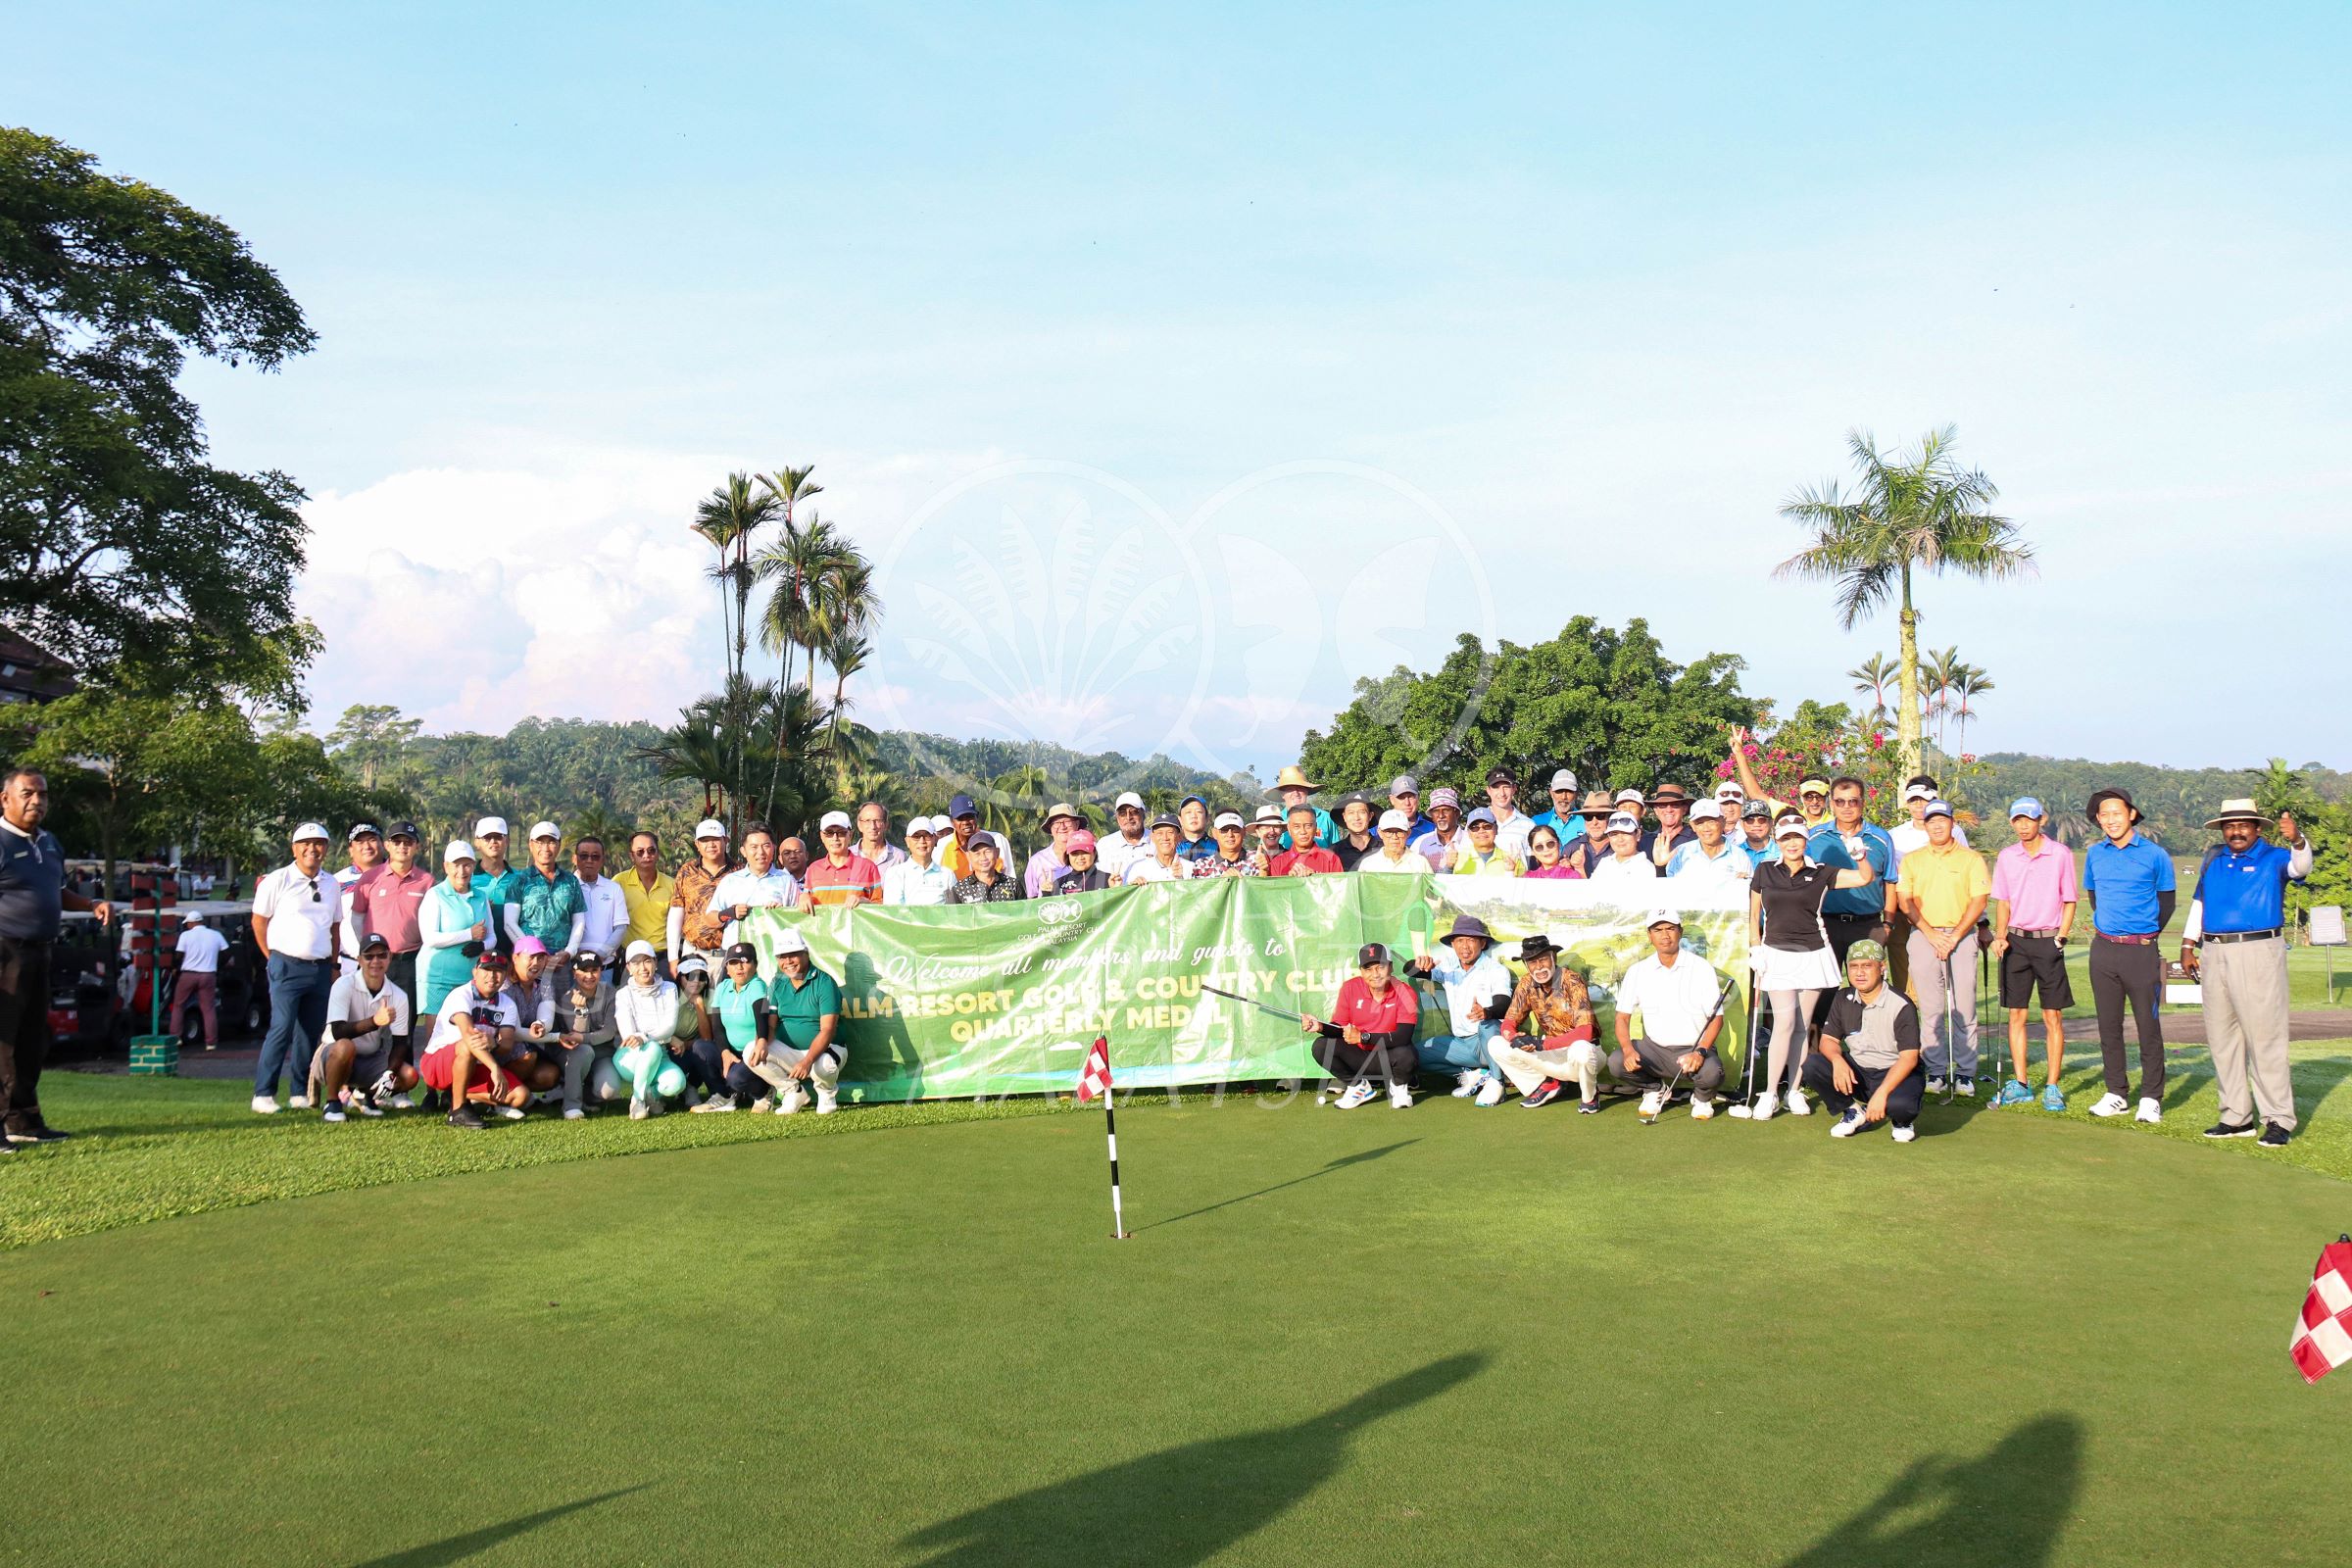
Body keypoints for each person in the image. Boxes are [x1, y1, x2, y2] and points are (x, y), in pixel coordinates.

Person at [2181, 800, 2315, 1147]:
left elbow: (2301, 867)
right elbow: (2200, 903)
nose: (2236, 831)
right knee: (2222, 1038)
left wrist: (2298, 839)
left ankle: (2278, 1119)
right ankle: (2236, 1117)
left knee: (2264, 1037)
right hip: (2213, 950)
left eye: (2243, 825)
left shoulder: (2273, 858)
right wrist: (2187, 944)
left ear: (2257, 828)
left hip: (2257, 950)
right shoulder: (2214, 859)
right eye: (2230, 825)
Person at [0, 767, 112, 1147]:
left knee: (32, 1041)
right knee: (3, 1040)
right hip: (5, 952)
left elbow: (55, 891)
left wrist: (91, 903)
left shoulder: (49, 842)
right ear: (6, 799)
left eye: (43, 795)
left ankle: (24, 1121)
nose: (37, 801)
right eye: (28, 793)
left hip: (40, 952)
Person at [1746, 812, 1883, 1120]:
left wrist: (1859, 854)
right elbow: (1754, 916)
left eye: (1797, 837)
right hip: (1777, 953)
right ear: (1778, 841)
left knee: (1802, 1025)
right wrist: (1755, 948)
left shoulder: (1822, 872)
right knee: (1783, 1023)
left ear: (1805, 840)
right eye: (1786, 838)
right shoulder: (1764, 870)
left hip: (1813, 953)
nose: (1792, 843)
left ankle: (1794, 1091)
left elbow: (1864, 877)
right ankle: (1769, 1093)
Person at [1986, 799, 2078, 1113]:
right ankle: (2022, 1083)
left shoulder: (2060, 854)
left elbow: (2069, 900)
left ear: (2042, 820)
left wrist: (2062, 935)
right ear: (2012, 823)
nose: (2024, 825)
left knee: (2053, 1016)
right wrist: (2000, 937)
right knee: (2017, 1015)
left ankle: (2052, 1086)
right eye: (2018, 820)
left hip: (2048, 941)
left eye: (2029, 819)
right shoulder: (2007, 857)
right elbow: (2003, 903)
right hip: (2016, 941)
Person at [1894, 800, 1991, 1094]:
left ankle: (1965, 1073)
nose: (1937, 825)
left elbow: (1979, 901)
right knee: (1931, 1007)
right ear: (1924, 825)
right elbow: (1904, 901)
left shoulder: (1971, 859)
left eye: (1943, 820)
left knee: (1964, 1007)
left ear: (1952, 823)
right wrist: (1931, 933)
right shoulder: (1912, 860)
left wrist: (1955, 935)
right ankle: (1936, 1071)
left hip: (1961, 936)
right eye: (1931, 821)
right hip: (1923, 935)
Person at [250, 821, 344, 1114]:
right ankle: (263, 1094)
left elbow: (334, 927)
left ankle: (299, 1092)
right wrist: (272, 957)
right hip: (286, 964)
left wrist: (333, 964)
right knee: (281, 1027)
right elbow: (259, 921)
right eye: (306, 843)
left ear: (326, 849)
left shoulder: (331, 884)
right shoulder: (277, 880)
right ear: (294, 848)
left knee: (309, 1032)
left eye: (318, 844)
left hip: (319, 967)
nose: (312, 849)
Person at [1803, 939, 1925, 1143]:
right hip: (1859, 1071)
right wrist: (1837, 1060)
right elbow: (1828, 1040)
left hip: (1895, 1071)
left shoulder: (1902, 1004)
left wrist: (1882, 1094)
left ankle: (1901, 1121)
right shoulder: (1843, 998)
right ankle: (1852, 1111)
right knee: (1813, 1065)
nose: (1859, 973)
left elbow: (1909, 1058)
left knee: (1902, 1106)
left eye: (1867, 966)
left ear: (1881, 967)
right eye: (1854, 967)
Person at [1611, 912, 1730, 1118]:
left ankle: (1701, 1097)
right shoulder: (1639, 970)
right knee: (1616, 1061)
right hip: (1654, 1050)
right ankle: (1655, 1088)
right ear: (1650, 935)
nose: (1664, 935)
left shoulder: (1700, 968)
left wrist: (1700, 1052)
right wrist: (1628, 1050)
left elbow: (1716, 1019)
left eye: (1670, 928)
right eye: (1658, 930)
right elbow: (1622, 1018)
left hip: (1692, 1049)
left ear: (1680, 932)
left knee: (1713, 1073)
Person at [1804, 778, 1898, 1021]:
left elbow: (1890, 882)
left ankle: (1869, 1050)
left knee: (1869, 988)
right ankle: (1817, 1053)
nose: (1847, 807)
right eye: (1840, 801)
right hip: (1826, 924)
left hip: (1868, 924)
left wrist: (1887, 924)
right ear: (1831, 804)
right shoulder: (1814, 838)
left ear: (1862, 803)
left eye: (1853, 801)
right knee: (1821, 990)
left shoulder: (1880, 838)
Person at [1299, 942, 1418, 1109]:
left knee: (1407, 1054)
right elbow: (1339, 1027)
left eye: (1380, 967)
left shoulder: (1405, 992)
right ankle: (1358, 1086)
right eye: (1368, 969)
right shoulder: (1350, 988)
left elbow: (1404, 1035)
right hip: (1359, 1057)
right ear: (1361, 971)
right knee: (1321, 1046)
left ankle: (1398, 1087)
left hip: (1390, 1057)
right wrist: (1320, 1027)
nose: (1375, 974)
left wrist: (1363, 1037)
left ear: (1390, 967)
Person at [1491, 933, 1602, 1110]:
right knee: (1496, 1043)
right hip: (1551, 1053)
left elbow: (1586, 1032)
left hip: (1581, 1054)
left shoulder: (1572, 980)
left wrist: (1542, 1044)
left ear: (1553, 957)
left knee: (1582, 1050)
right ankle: (1546, 1084)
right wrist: (1514, 1038)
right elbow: (1509, 1021)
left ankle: (1589, 1097)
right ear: (1526, 965)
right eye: (1532, 962)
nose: (1539, 967)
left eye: (1543, 960)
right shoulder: (1526, 982)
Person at [420, 949, 528, 1131]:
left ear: (504, 975)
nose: (492, 976)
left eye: (498, 971)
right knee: (466, 1045)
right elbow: (469, 1035)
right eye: (486, 970)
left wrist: (494, 1043)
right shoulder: (460, 995)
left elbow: (507, 1043)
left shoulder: (507, 1003)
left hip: (474, 1066)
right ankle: (457, 1111)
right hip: (437, 1065)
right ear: (475, 972)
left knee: (520, 1096)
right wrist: (494, 1067)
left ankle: (457, 1095)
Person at [1408, 916, 1513, 1102]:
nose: (1465, 946)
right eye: (1460, 940)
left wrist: (1487, 1012)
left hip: (1487, 1042)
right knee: (1412, 1056)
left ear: (1482, 943)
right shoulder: (1449, 966)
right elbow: (1411, 971)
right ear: (1453, 944)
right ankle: (1474, 1075)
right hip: (1460, 1044)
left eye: (1471, 940)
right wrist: (1418, 964)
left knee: (1488, 1025)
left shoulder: (1495, 970)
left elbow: (1503, 1004)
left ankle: (1497, 1083)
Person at [315, 933, 418, 1121]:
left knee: (410, 1076)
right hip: (334, 1056)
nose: (375, 961)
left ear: (389, 958)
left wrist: (390, 1073)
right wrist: (374, 1022)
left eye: (381, 955)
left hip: (370, 1058)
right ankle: (332, 1102)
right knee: (346, 1046)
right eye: (369, 956)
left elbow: (400, 1043)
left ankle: (365, 1095)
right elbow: (337, 1032)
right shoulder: (343, 984)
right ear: (359, 960)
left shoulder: (398, 995)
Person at [746, 928, 845, 1114]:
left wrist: (807, 1061)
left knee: (824, 1065)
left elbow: (828, 1030)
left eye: (793, 955)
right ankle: (793, 1092)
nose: (788, 962)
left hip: (828, 1048)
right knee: (751, 1051)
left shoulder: (825, 982)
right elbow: (771, 1023)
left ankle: (827, 1093)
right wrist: (762, 1041)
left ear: (805, 954)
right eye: (782, 957)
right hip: (791, 1050)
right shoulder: (777, 983)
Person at [609, 940, 689, 1117]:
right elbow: (628, 1034)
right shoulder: (623, 994)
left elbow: (669, 1027)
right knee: (652, 1047)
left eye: (647, 961)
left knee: (677, 1083)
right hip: (629, 1056)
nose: (642, 968)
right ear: (628, 968)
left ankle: (651, 1094)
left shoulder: (669, 989)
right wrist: (660, 1038)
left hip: (661, 1055)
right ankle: (637, 1100)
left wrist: (649, 1036)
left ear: (655, 963)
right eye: (636, 963)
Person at [418, 840, 493, 1025]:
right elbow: (429, 938)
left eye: (467, 865)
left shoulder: (481, 896)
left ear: (474, 866)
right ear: (446, 867)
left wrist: (482, 945)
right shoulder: (435, 895)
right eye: (456, 865)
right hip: (439, 979)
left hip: (470, 978)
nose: (462, 871)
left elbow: (492, 935)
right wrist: (468, 934)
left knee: (466, 1035)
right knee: (436, 1035)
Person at [693, 941, 772, 1112]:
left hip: (754, 1053)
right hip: (732, 1050)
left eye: (745, 961)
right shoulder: (722, 988)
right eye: (734, 963)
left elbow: (762, 1022)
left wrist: (761, 1042)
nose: (739, 967)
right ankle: (724, 1095)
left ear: (755, 965)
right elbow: (718, 1028)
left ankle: (763, 1093)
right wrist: (725, 1052)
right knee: (701, 1047)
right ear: (727, 968)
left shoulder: (758, 986)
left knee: (735, 1077)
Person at [549, 949, 619, 1119]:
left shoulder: (611, 994)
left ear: (600, 971)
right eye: (584, 971)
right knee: (584, 1051)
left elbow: (609, 1032)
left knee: (610, 1092)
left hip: (602, 1054)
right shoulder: (567, 999)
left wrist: (583, 1037)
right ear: (574, 973)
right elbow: (576, 1040)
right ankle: (571, 1105)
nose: (589, 976)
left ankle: (586, 1095)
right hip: (572, 1053)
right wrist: (581, 1011)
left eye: (594, 970)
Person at [508, 821, 586, 966]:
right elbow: (509, 923)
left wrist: (569, 951)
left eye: (551, 842)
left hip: (562, 959)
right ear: (531, 845)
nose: (545, 848)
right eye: (539, 842)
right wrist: (532, 952)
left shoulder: (571, 881)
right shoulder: (519, 880)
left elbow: (579, 920)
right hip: (528, 961)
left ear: (559, 845)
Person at [710, 823, 803, 944]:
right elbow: (710, 919)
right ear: (743, 851)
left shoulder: (786, 880)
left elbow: (798, 919)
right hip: (738, 957)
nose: (761, 852)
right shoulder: (730, 881)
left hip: (775, 954)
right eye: (754, 847)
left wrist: (781, 913)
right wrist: (730, 913)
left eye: (766, 846)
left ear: (774, 848)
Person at [667, 818, 733, 972]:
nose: (710, 845)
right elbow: (676, 914)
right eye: (704, 840)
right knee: (692, 997)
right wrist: (673, 958)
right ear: (697, 844)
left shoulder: (739, 872)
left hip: (729, 958)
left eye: (716, 839)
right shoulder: (687, 871)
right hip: (693, 954)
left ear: (725, 840)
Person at [618, 831, 675, 972]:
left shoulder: (671, 884)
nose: (646, 855)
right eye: (640, 852)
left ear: (657, 853)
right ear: (631, 855)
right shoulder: (619, 882)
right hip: (631, 956)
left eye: (651, 850)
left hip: (662, 956)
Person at [170, 910, 227, 1050]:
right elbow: (226, 953)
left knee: (179, 1005)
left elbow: (178, 955)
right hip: (208, 974)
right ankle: (211, 1042)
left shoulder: (185, 935)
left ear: (191, 922)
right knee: (208, 1008)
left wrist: (174, 967)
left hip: (188, 974)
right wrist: (217, 966)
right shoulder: (216, 935)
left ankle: (175, 1037)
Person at [803, 810, 884, 908]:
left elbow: (880, 906)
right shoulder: (813, 869)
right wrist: (803, 898)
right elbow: (806, 902)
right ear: (822, 836)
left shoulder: (868, 867)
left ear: (850, 834)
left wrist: (864, 901)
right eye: (829, 833)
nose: (835, 838)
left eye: (841, 833)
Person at [1665, 800, 1751, 890]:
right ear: (1693, 826)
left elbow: (1746, 894)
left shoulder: (1739, 856)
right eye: (1700, 823)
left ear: (1723, 822)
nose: (1706, 829)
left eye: (1711, 822)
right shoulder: (1681, 853)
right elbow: (1671, 891)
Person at [334, 822, 384, 975]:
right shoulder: (337, 881)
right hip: (348, 965)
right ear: (350, 850)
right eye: (360, 842)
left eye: (372, 839)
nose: (367, 846)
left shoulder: (396, 877)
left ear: (383, 844)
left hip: (388, 964)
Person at [572, 835, 629, 968]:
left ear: (602, 860)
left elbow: (620, 928)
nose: (589, 861)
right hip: (573, 966)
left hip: (605, 966)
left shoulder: (613, 888)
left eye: (595, 856)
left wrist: (599, 957)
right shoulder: (566, 888)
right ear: (575, 859)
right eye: (584, 856)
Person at [471, 816, 522, 953]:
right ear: (477, 842)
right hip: (476, 954)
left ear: (507, 841)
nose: (493, 842)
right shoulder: (467, 878)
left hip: (513, 954)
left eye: (498, 837)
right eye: (487, 838)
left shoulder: (521, 878)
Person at [884, 817, 956, 906]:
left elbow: (953, 912)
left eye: (927, 836)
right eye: (916, 837)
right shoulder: (895, 873)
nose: (922, 841)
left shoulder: (947, 874)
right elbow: (894, 913)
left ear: (935, 839)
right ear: (907, 841)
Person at [1585, 812, 1659, 898]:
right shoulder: (1605, 863)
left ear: (1638, 834)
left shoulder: (1646, 868)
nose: (1620, 839)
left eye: (1625, 833)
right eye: (1614, 834)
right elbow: (1591, 895)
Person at [939, 794, 1012, 879]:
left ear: (976, 817)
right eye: (960, 818)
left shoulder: (997, 839)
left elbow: (1010, 876)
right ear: (952, 821)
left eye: (970, 817)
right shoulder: (943, 845)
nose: (965, 822)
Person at [1024, 804, 1084, 897]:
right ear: (1050, 828)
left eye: (1067, 821)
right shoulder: (1036, 861)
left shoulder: (1088, 857)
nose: (1062, 827)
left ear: (1077, 824)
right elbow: (1031, 900)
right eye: (1056, 823)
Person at [1272, 765, 1337, 849]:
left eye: (1300, 788)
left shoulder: (1326, 818)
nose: (1296, 793)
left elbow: (1336, 851)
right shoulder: (1275, 821)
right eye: (1290, 789)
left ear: (1307, 791)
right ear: (1282, 794)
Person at [1269, 805, 1345, 875]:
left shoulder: (1331, 859)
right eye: (1296, 827)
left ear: (1316, 828)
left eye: (1308, 826)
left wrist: (1315, 878)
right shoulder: (1277, 862)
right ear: (1289, 829)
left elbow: (1339, 887)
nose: (1303, 832)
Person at [1483, 767, 1536, 863]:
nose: (1502, 793)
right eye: (1496, 787)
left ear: (1514, 789)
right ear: (1488, 790)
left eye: (1506, 787)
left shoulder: (1528, 825)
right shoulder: (1476, 823)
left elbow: (1532, 864)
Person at [1097, 792, 1152, 884]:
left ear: (1143, 814)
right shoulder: (1104, 844)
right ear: (1117, 818)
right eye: (1122, 813)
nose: (1128, 817)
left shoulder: (1158, 840)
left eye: (1133, 812)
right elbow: (1098, 882)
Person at [1560, 790, 1617, 877]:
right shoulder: (1571, 847)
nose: (1594, 822)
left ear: (1610, 818)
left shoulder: (1620, 846)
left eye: (1600, 816)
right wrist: (1566, 868)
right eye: (1588, 816)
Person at [1451, 808, 1523, 876]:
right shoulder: (1457, 859)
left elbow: (1523, 887)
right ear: (1469, 833)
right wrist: (1448, 868)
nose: (1481, 831)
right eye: (1475, 828)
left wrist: (1511, 871)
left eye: (1487, 826)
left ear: (1496, 829)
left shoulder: (1512, 859)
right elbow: (1444, 886)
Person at [1408, 788, 1467, 871]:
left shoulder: (1470, 841)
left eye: (1446, 810)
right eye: (1436, 811)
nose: (1441, 816)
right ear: (1431, 815)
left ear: (1456, 813)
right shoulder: (1420, 843)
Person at [951, 836, 1025, 901]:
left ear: (997, 852)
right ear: (968, 857)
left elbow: (1026, 915)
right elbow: (952, 916)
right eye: (977, 853)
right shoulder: (959, 890)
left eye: (987, 851)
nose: (983, 857)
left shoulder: (1013, 885)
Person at [1120, 815, 1188, 886]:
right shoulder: (1138, 869)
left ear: (1179, 837)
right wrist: (1134, 888)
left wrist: (1181, 879)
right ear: (1152, 837)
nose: (1165, 838)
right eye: (1159, 833)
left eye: (1170, 832)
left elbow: (1195, 895)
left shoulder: (1190, 868)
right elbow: (1128, 895)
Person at [1642, 785, 1698, 868]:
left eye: (1675, 805)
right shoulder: (1645, 842)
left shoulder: (1697, 839)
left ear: (1684, 809)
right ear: (1656, 811)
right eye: (1662, 806)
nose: (1669, 810)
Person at [1356, 809, 1428, 874]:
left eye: (1399, 832)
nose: (1394, 837)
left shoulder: (1421, 863)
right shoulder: (1368, 865)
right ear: (1380, 833)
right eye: (1389, 832)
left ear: (1408, 833)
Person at [1192, 813, 1259, 878]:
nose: (1230, 835)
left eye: (1235, 829)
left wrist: (1263, 870)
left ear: (1244, 831)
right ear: (1214, 833)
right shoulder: (1202, 866)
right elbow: (1196, 890)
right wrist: (1223, 882)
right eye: (1224, 830)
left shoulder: (1257, 859)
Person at [1529, 769, 1584, 846]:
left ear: (1577, 793)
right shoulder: (1536, 822)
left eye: (1569, 791)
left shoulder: (1587, 822)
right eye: (1559, 791)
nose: (1564, 797)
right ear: (1551, 793)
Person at [1052, 830, 1117, 893]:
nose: (1080, 857)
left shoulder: (1108, 880)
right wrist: (1047, 893)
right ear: (1068, 855)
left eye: (1085, 852)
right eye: (1075, 853)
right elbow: (1050, 904)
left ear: (1094, 853)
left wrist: (1116, 890)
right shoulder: (1059, 884)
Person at [1330, 795, 1379, 869]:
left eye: (1362, 812)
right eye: (1351, 813)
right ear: (1344, 817)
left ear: (1370, 816)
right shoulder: (1333, 852)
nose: (1356, 818)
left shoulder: (1385, 848)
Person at [855, 802, 906, 870]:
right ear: (859, 825)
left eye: (878, 821)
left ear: (886, 824)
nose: (873, 826)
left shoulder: (898, 857)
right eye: (867, 821)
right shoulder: (846, 855)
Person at [1387, 775, 1436, 842]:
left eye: (1411, 797)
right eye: (1401, 797)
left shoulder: (1433, 829)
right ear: (1392, 799)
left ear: (1418, 798)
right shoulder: (1379, 831)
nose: (1407, 803)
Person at [1737, 800, 1778, 869]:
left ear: (1771, 822)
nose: (1756, 824)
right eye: (1750, 820)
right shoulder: (1734, 853)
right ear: (1742, 823)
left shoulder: (1782, 854)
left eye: (1762, 820)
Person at [1245, 806, 1288, 872]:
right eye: (1266, 827)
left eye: (1276, 826)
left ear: (1281, 830)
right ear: (1258, 832)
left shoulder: (1290, 857)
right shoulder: (1247, 859)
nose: (1272, 832)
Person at [1175, 795, 1216, 861]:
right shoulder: (1172, 846)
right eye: (1188, 812)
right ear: (1180, 820)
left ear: (1207, 818)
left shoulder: (1218, 847)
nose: (1193, 816)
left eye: (1199, 812)